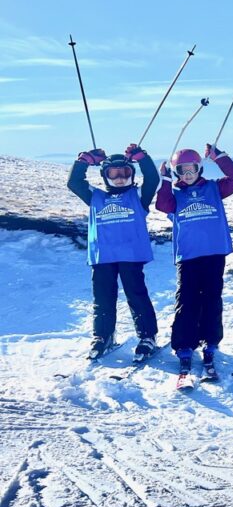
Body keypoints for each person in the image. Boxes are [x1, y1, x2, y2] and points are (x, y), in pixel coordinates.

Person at [156, 144, 233, 376]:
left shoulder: (215, 188)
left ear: (199, 169)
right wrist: (165, 180)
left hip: (214, 253)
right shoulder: (175, 194)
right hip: (188, 255)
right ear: (176, 172)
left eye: (191, 169)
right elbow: (162, 205)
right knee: (187, 299)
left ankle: (210, 340)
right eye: (181, 171)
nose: (187, 175)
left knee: (212, 298)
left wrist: (220, 158)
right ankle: (184, 344)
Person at [67, 145, 160, 360]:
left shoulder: (137, 196)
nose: (119, 179)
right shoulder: (95, 197)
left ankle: (148, 336)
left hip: (131, 255)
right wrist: (84, 160)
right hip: (103, 256)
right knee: (103, 298)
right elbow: (74, 183)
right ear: (105, 176)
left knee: (136, 296)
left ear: (131, 174)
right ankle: (103, 336)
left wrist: (143, 158)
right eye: (114, 174)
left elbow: (152, 180)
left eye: (125, 173)